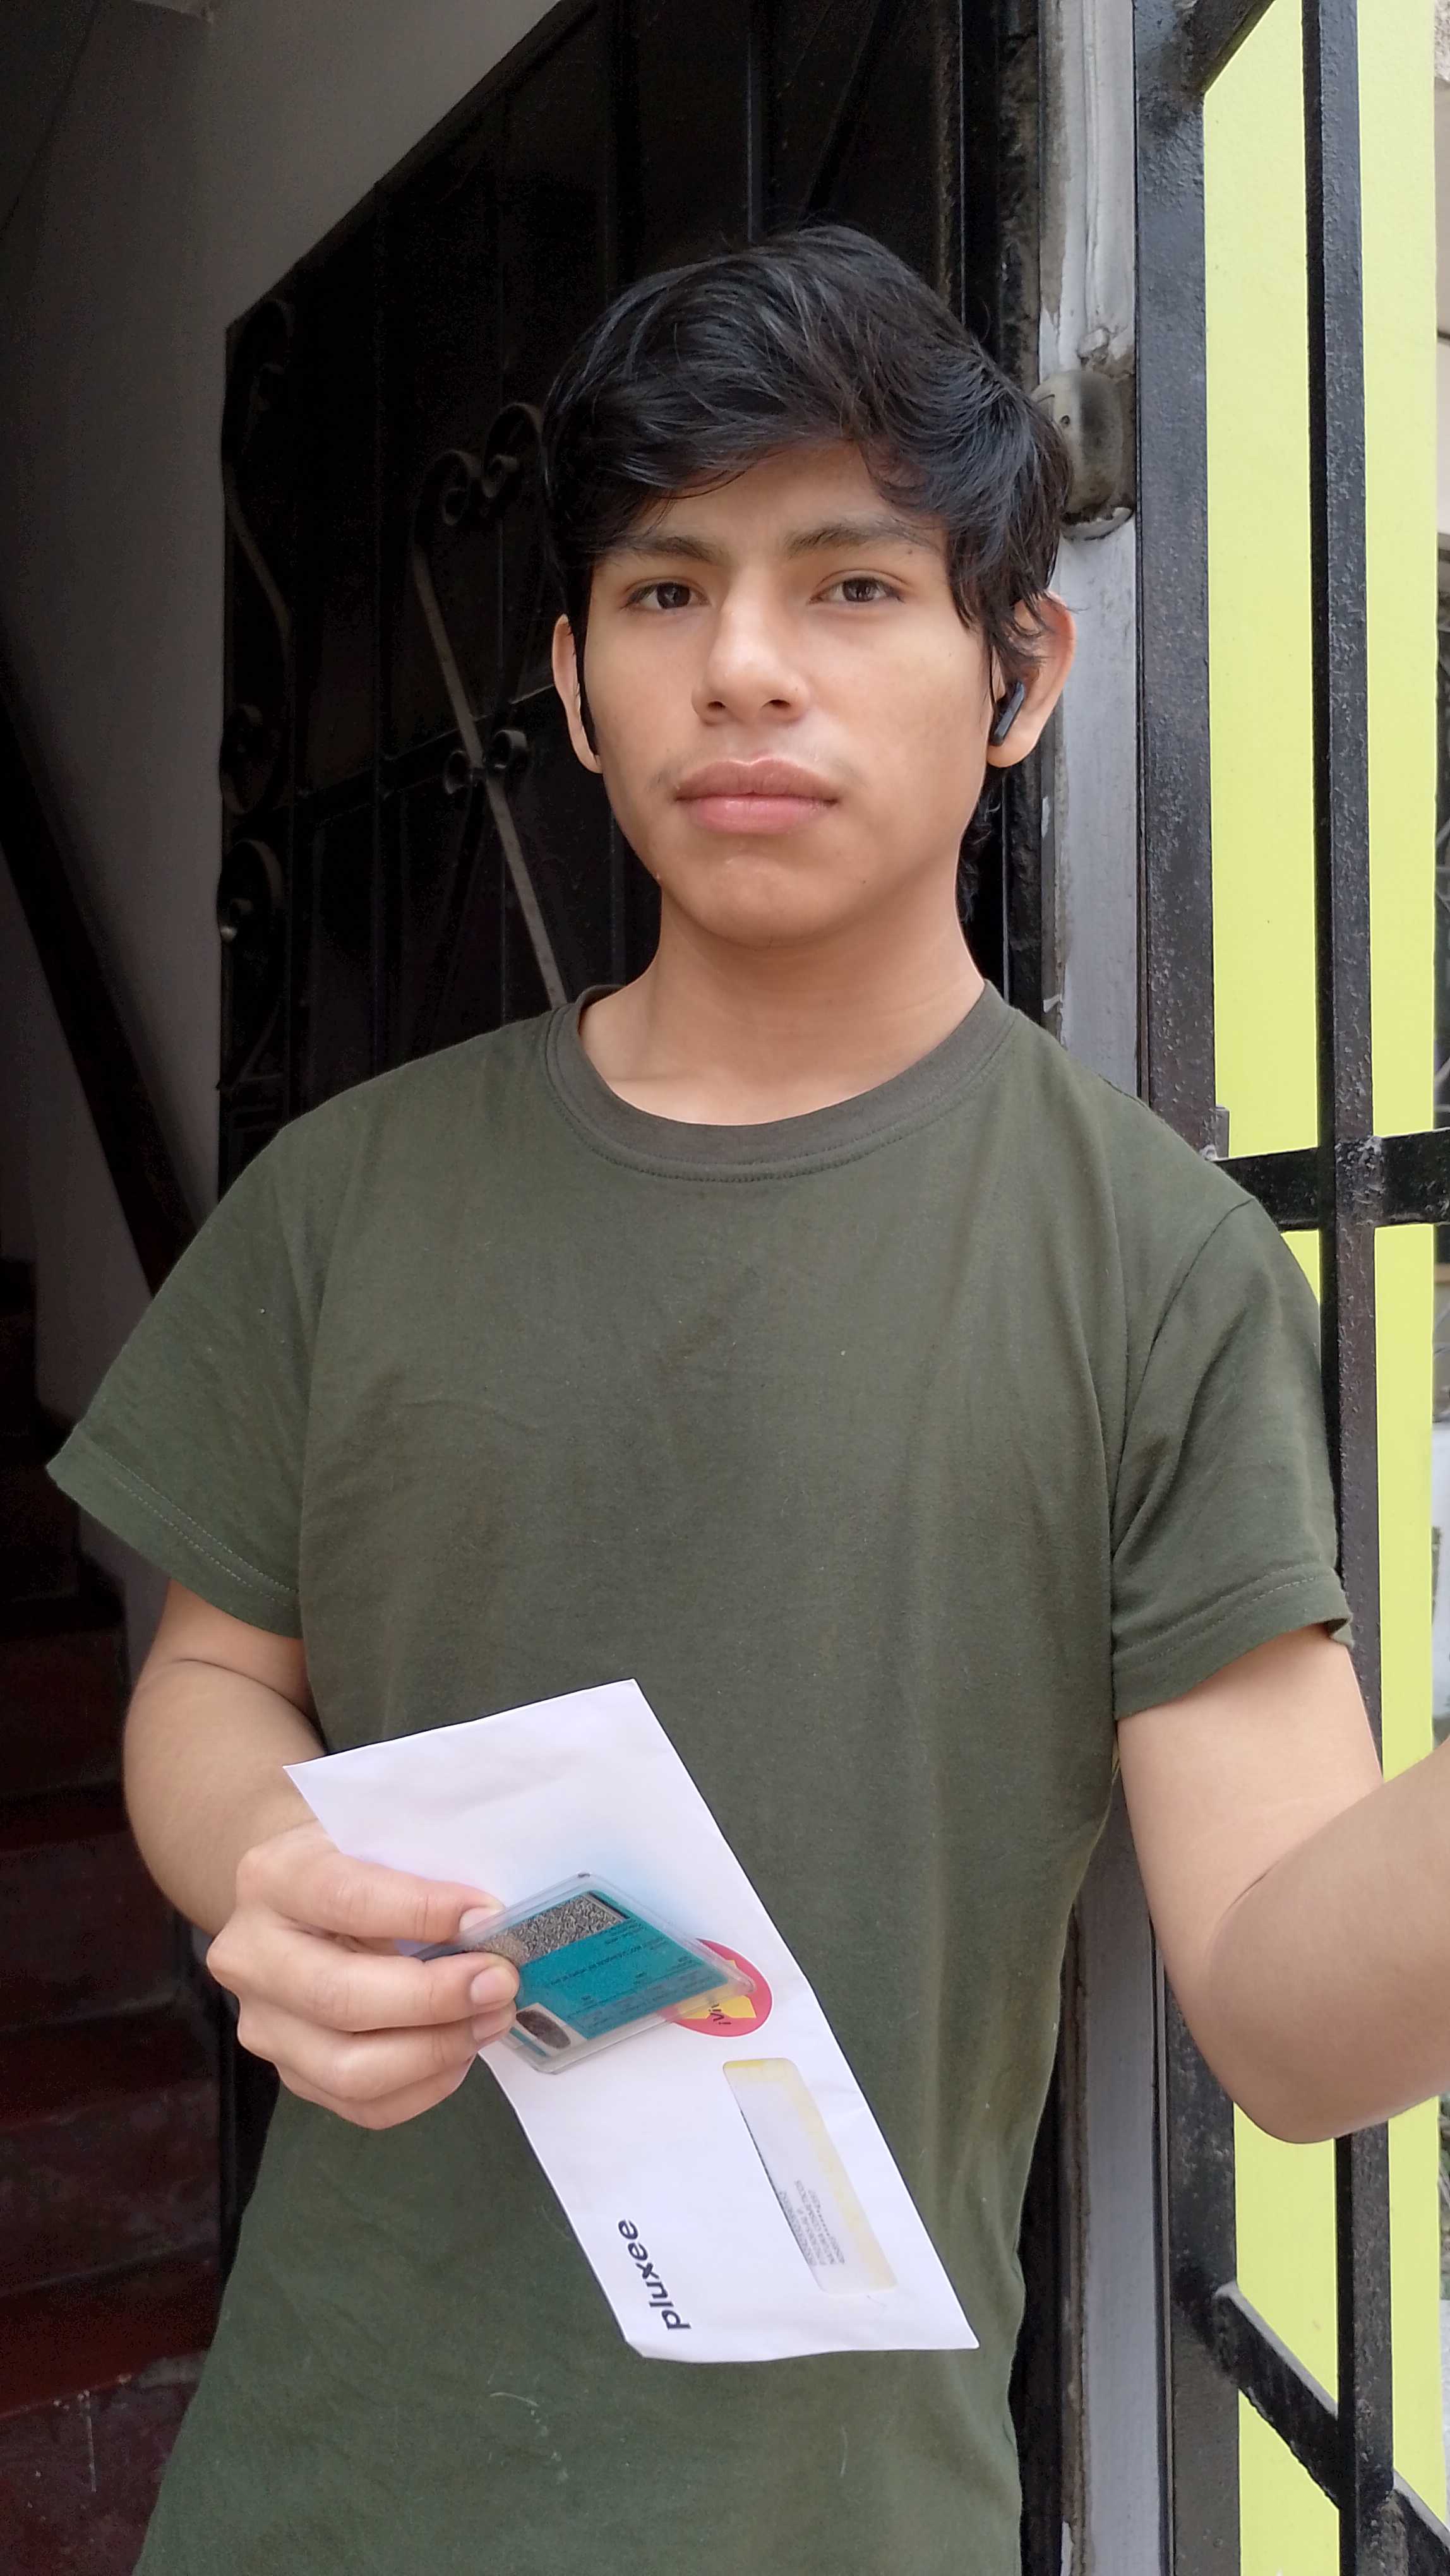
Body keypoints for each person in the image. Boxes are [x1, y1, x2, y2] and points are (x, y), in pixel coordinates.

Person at [49, 224, 1429, 2576]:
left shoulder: (1158, 1272)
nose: (746, 666)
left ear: (1021, 671)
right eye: (665, 592)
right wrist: (264, 1865)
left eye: (855, 585)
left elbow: (1297, 2024)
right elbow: (211, 1672)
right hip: (317, 2483)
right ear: (575, 688)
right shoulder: (347, 1199)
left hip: (836, 2514)